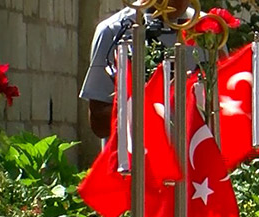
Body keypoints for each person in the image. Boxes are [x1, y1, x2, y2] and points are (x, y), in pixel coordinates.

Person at [80, 0, 198, 139]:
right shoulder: (115, 30)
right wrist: (151, 105)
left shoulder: (209, 29)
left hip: (193, 155)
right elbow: (99, 123)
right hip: (134, 156)